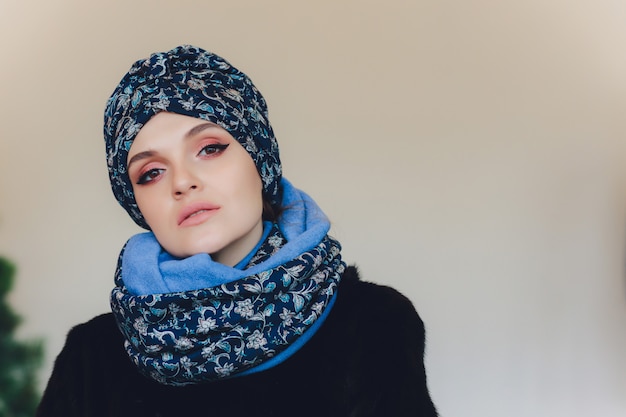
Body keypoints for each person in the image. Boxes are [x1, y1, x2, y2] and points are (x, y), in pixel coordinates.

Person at [36, 45, 438, 417]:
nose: (182, 182)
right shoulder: (91, 359)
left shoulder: (374, 325)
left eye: (209, 148)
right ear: (136, 203)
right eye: (151, 172)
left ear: (258, 158)